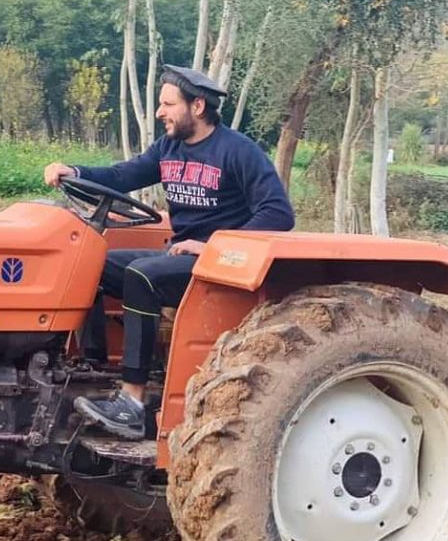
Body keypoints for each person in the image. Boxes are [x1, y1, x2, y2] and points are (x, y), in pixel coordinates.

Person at [43, 65, 295, 440]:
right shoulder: (168, 148)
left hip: (223, 262)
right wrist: (73, 170)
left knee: (143, 275)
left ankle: (132, 401)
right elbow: (123, 176)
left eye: (167, 104)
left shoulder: (238, 151)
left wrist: (213, 244)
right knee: (88, 263)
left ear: (197, 106)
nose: (160, 112)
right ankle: (90, 369)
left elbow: (278, 213)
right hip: (181, 253)